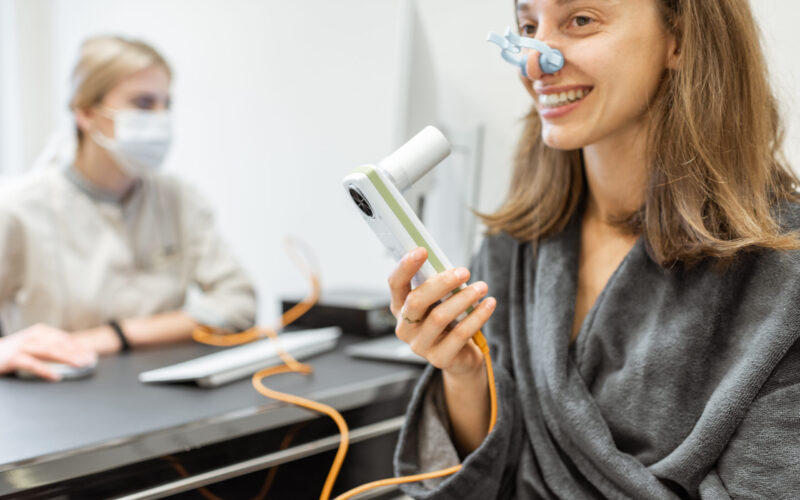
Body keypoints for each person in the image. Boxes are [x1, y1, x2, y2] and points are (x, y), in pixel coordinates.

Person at [388, 0, 800, 498]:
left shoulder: (783, 273)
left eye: (580, 20)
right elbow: (485, 478)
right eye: (527, 26)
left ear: (680, 38)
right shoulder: (513, 253)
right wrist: (463, 374)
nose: (535, 62)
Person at [0, 36, 256, 381]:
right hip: (58, 396)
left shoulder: (178, 198)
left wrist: (115, 335)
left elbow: (238, 305)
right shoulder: (18, 207)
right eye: (143, 103)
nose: (160, 118)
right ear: (86, 111)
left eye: (166, 104)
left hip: (161, 390)